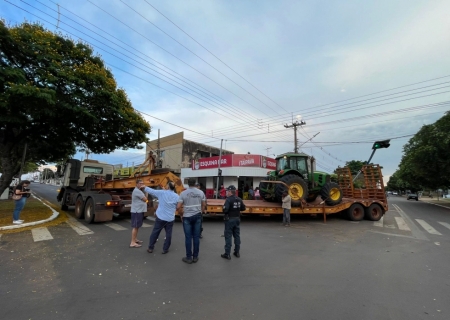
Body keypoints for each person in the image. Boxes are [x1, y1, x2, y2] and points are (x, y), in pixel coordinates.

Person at [144, 181, 179, 254]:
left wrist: (144, 187)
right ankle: (165, 249)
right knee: (168, 234)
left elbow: (152, 191)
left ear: (168, 187)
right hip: (170, 218)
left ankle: (150, 247)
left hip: (160, 217)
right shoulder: (177, 196)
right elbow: (178, 206)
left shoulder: (162, 193)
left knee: (155, 232)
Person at [177, 178, 206, 264]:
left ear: (188, 184)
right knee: (196, 237)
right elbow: (204, 205)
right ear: (195, 183)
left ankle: (189, 257)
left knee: (188, 237)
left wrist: (181, 215)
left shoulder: (183, 193)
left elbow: (178, 207)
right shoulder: (200, 192)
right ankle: (195, 257)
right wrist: (200, 212)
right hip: (197, 216)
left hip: (187, 217)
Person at [221, 185, 246, 260]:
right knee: (237, 236)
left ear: (230, 192)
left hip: (229, 219)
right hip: (237, 219)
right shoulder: (239, 199)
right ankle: (237, 252)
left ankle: (227, 253)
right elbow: (243, 208)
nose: (226, 192)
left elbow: (225, 210)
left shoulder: (228, 200)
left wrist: (224, 208)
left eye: (227, 191)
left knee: (228, 236)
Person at [129, 179, 147, 248]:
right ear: (137, 184)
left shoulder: (139, 191)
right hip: (137, 211)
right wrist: (146, 191)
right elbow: (145, 199)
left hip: (139, 210)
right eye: (140, 183)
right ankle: (132, 242)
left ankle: (135, 239)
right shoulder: (137, 191)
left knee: (137, 226)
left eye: (142, 183)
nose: (142, 184)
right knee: (135, 227)